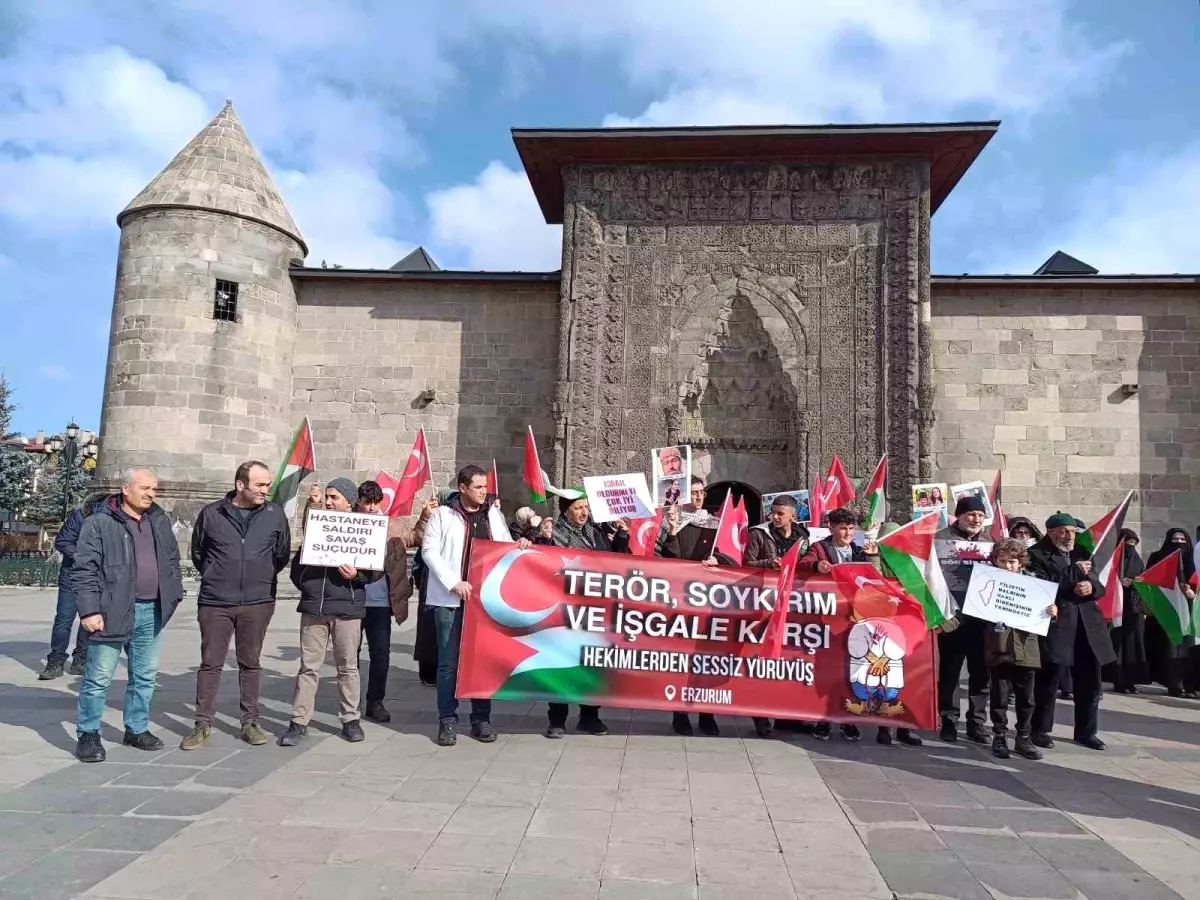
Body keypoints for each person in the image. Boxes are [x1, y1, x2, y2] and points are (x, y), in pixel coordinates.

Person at [72, 468, 183, 763]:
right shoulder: (99, 523)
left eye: (154, 489)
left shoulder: (158, 521)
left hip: (152, 610)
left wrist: (174, 593)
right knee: (98, 678)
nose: (150, 494)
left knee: (144, 677)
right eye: (144, 488)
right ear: (126, 489)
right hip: (112, 611)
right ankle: (89, 733)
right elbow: (84, 569)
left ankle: (136, 728)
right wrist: (90, 610)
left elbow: (172, 559)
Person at [181, 461, 291, 750]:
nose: (266, 490)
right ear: (240, 485)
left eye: (267, 484)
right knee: (210, 663)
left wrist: (259, 576)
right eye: (260, 485)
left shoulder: (274, 515)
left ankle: (250, 722)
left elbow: (281, 555)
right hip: (216, 601)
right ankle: (202, 724)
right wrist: (219, 574)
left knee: (250, 663)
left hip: (257, 601)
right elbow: (198, 553)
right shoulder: (211, 514)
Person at [422, 465, 528, 747]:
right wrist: (453, 582)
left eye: (485, 487)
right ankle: (447, 720)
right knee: (448, 663)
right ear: (463, 487)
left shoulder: (492, 513)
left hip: (484, 600)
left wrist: (520, 544)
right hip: (450, 599)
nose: (484, 492)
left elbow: (504, 546)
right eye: (479, 487)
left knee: (482, 661)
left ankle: (481, 718)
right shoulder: (443, 515)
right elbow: (429, 551)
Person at [278, 477, 372, 747]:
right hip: (315, 607)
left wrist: (358, 574)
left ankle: (350, 719)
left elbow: (375, 570)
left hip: (347, 608)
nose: (329, 502)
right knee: (308, 668)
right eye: (327, 497)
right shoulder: (317, 528)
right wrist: (308, 584)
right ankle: (298, 722)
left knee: (347, 667)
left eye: (335, 497)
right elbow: (299, 568)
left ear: (348, 501)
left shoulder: (362, 528)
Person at [546, 495, 631, 738]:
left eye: (586, 507)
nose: (584, 512)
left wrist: (622, 536)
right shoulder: (555, 535)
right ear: (566, 511)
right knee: (562, 664)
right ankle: (557, 719)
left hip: (595, 610)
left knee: (592, 664)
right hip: (565, 609)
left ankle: (589, 716)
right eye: (578, 508)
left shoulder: (597, 533)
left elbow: (615, 564)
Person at [1028, 512, 1113, 750]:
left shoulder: (1082, 553)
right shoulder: (1035, 554)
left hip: (1087, 625)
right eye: (1063, 531)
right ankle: (1040, 729)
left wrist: (1091, 587)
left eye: (1073, 531)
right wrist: (1073, 573)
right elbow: (1041, 587)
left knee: (1089, 680)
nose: (1069, 536)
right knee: (1048, 679)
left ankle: (1087, 732)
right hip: (1057, 623)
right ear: (1051, 532)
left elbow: (1100, 586)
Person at [357, 482, 434, 723]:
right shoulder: (349, 522)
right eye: (366, 502)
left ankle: (375, 701)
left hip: (380, 602)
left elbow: (417, 538)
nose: (371, 508)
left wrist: (425, 516)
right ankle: (349, 703)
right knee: (349, 655)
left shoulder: (392, 524)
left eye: (375, 503)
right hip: (352, 599)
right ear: (358, 501)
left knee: (380, 654)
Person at [798, 507, 875, 741]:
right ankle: (824, 719)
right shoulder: (819, 548)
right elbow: (803, 563)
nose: (848, 533)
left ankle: (848, 719)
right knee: (829, 672)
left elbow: (873, 579)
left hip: (854, 621)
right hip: (826, 621)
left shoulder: (858, 550)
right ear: (831, 527)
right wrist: (816, 567)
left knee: (853, 672)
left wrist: (872, 558)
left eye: (851, 529)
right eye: (843, 528)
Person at [661, 476, 725, 736]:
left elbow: (729, 554)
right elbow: (667, 560)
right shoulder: (673, 524)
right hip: (682, 602)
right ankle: (680, 714)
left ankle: (707, 713)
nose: (699, 498)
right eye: (694, 493)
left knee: (707, 661)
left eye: (702, 493)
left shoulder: (715, 525)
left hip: (709, 603)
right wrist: (673, 531)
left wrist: (716, 558)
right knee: (682, 661)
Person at [743, 494, 810, 738]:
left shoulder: (803, 537)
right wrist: (768, 563)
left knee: (790, 663)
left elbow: (804, 564)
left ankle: (787, 716)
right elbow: (746, 563)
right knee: (761, 661)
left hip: (792, 605)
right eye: (774, 512)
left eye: (781, 513)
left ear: (793, 515)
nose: (776, 517)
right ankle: (760, 717)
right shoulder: (758, 534)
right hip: (762, 605)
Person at [984, 539, 1056, 760]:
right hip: (999, 647)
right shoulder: (987, 582)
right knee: (1000, 695)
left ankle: (1023, 738)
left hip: (1026, 646)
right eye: (1002, 561)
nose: (1007, 566)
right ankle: (999, 736)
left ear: (1021, 563)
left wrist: (1051, 612)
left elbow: (1044, 615)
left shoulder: (1036, 584)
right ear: (995, 561)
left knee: (1027, 697)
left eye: (1012, 562)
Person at [933, 495, 992, 745]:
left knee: (981, 674)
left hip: (982, 619)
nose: (976, 519)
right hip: (952, 618)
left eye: (980, 515)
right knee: (950, 673)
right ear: (959, 515)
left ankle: (976, 723)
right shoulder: (940, 539)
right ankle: (948, 720)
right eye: (971, 514)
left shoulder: (990, 543)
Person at [871, 521, 923, 748]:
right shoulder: (874, 558)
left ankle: (905, 727)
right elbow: (873, 582)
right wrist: (873, 557)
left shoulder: (910, 563)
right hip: (882, 625)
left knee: (909, 679)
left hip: (909, 626)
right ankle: (884, 726)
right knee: (884, 678)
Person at [38, 497, 102, 680]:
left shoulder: (112, 520)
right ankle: (56, 660)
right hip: (72, 576)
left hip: (95, 578)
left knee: (89, 618)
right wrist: (83, 557)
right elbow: (63, 541)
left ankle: (80, 659)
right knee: (64, 619)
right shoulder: (79, 516)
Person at [1143, 528, 1199, 699]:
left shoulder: (1193, 558)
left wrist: (1193, 591)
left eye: (1182, 539)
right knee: (1170, 649)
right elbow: (1149, 581)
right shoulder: (1157, 557)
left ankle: (1191, 685)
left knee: (1191, 650)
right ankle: (1174, 685)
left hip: (1191, 610)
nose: (1179, 542)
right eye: (1175, 539)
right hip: (1168, 611)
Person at [412, 488, 452, 686]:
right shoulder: (435, 521)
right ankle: (428, 672)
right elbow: (421, 550)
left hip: (448, 584)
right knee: (429, 630)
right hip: (431, 582)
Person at [1107, 528, 1148, 694]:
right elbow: (1104, 579)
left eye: (1133, 543)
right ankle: (1118, 680)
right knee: (1118, 644)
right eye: (1127, 543)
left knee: (1134, 643)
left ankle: (1131, 680)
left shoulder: (1137, 561)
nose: (1130, 546)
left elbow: (1145, 581)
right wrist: (1117, 581)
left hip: (1134, 608)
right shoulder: (1112, 560)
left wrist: (1136, 582)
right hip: (1117, 607)